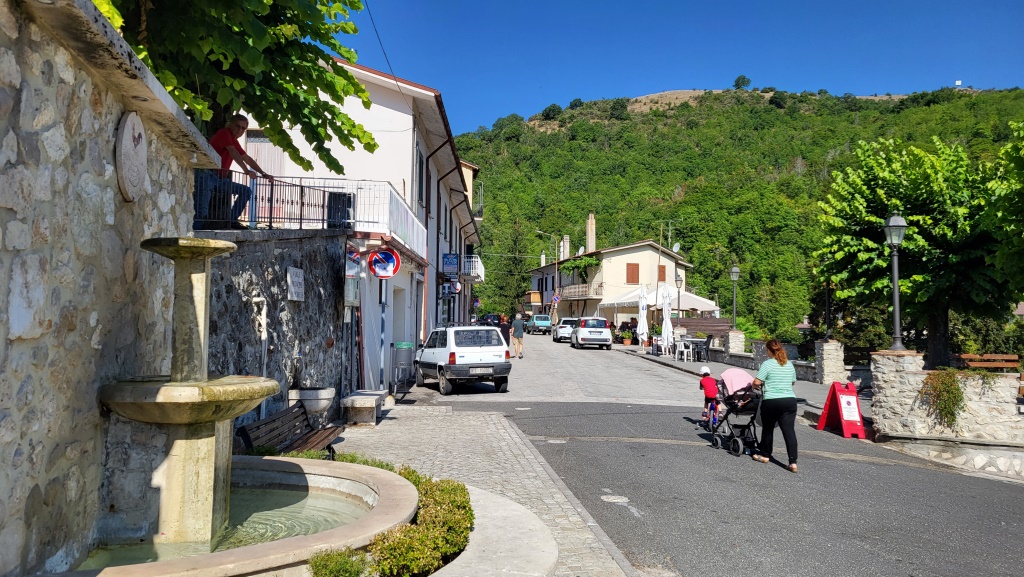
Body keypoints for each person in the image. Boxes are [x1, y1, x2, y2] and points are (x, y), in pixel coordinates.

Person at [194, 114, 274, 230]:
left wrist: (263, 173)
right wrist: (246, 171)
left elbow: (247, 158)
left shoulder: (234, 141)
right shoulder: (224, 133)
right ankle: (196, 232)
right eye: (237, 126)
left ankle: (231, 221)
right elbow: (233, 152)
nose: (240, 130)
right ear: (230, 125)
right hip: (207, 175)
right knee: (202, 211)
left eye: (243, 128)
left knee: (245, 191)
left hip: (220, 179)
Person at [751, 339, 799, 473]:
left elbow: (757, 382)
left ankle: (765, 455)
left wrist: (754, 385)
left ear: (768, 350)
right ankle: (793, 462)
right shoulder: (789, 364)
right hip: (789, 400)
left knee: (768, 428)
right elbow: (792, 382)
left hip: (772, 400)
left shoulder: (767, 364)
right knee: (789, 431)